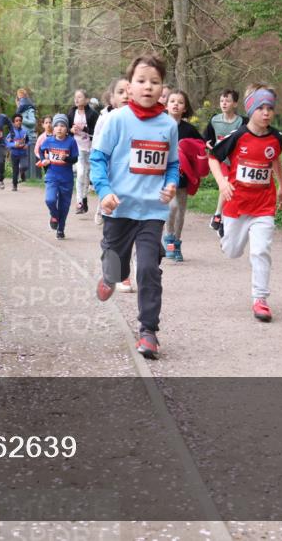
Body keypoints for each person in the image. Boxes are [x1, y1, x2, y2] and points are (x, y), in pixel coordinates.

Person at [91, 54, 178, 359]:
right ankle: (109, 275)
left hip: (152, 211)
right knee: (116, 266)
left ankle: (149, 331)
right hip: (119, 208)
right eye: (141, 81)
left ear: (162, 87)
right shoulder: (117, 120)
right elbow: (97, 159)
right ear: (128, 87)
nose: (148, 87)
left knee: (149, 269)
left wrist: (170, 183)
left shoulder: (168, 125)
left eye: (154, 82)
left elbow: (173, 164)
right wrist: (104, 191)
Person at [207, 85, 282, 322]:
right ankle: (223, 233)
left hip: (263, 205)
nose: (266, 113)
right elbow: (213, 158)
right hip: (237, 205)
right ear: (251, 110)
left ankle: (260, 299)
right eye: (261, 108)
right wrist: (222, 183)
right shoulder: (237, 136)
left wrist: (281, 186)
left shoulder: (276, 138)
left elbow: (275, 161)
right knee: (232, 251)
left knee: (260, 250)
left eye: (270, 108)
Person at [163, 90, 207, 263]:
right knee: (171, 207)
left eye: (180, 102)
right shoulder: (160, 125)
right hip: (165, 176)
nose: (175, 104)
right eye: (172, 101)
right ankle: (168, 239)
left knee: (181, 212)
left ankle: (177, 243)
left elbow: (200, 147)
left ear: (185, 107)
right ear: (166, 105)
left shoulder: (189, 129)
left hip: (183, 177)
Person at [203, 89, 246, 236]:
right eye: (222, 101)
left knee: (233, 190)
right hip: (220, 160)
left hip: (235, 161)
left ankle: (222, 220)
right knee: (226, 183)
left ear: (235, 103)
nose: (224, 103)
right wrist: (206, 143)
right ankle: (217, 215)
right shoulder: (215, 120)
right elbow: (206, 138)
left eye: (227, 101)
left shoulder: (242, 122)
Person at [93, 77, 130, 227]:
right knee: (108, 186)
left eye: (128, 92)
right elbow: (96, 140)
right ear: (112, 98)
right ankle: (102, 207)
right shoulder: (106, 118)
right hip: (108, 161)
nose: (125, 96)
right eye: (121, 92)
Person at [37, 114, 78, 239]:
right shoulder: (48, 141)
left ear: (67, 129)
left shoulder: (71, 141)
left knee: (64, 205)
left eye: (63, 126)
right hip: (52, 175)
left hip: (66, 178)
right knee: (50, 200)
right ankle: (54, 215)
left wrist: (67, 158)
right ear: (53, 129)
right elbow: (40, 149)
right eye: (57, 126)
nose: (59, 128)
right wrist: (44, 159)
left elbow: (75, 158)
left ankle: (60, 229)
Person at [64, 89, 99, 214]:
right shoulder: (72, 112)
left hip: (90, 148)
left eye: (80, 97)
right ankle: (79, 202)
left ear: (86, 100)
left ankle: (84, 199)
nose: (77, 99)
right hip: (77, 148)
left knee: (87, 175)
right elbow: (65, 129)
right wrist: (70, 130)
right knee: (80, 174)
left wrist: (84, 128)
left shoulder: (93, 114)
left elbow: (97, 132)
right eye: (75, 97)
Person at [14, 88, 38, 179]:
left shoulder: (29, 109)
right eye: (19, 100)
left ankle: (29, 177)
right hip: (20, 138)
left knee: (28, 161)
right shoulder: (20, 110)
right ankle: (21, 176)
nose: (20, 102)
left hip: (28, 137)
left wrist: (22, 120)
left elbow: (32, 122)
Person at [5, 114, 30, 191]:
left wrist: (26, 145)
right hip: (14, 154)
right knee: (15, 170)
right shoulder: (11, 133)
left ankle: (22, 173)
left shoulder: (25, 132)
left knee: (24, 166)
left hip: (23, 153)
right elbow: (7, 143)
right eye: (16, 121)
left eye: (20, 120)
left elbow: (28, 141)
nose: (18, 122)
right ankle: (14, 185)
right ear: (13, 123)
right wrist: (14, 144)